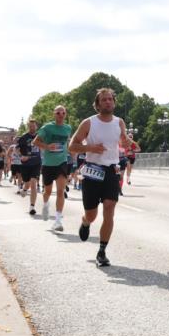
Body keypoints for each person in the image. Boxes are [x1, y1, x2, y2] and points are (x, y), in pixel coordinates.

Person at [68, 88, 138, 267]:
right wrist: (90, 148)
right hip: (93, 170)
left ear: (114, 103)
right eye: (104, 100)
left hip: (111, 171)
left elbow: (122, 141)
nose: (108, 102)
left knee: (109, 207)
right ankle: (85, 222)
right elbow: (72, 146)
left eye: (110, 99)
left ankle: (102, 251)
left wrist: (129, 143)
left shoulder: (119, 122)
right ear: (98, 104)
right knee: (92, 215)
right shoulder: (88, 123)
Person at [34, 105, 74, 231]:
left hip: (62, 162)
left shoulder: (68, 128)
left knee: (61, 191)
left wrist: (72, 155)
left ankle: (57, 221)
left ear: (65, 114)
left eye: (63, 113)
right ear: (54, 114)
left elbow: (67, 143)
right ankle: (46, 205)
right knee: (48, 191)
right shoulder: (47, 127)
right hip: (48, 163)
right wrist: (47, 146)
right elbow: (35, 142)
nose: (61, 115)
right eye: (58, 113)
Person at [17, 120, 42, 215]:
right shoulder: (23, 137)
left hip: (36, 163)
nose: (32, 128)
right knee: (27, 184)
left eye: (34, 126)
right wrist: (21, 156)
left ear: (36, 126)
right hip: (25, 164)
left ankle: (32, 207)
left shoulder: (40, 136)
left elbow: (44, 147)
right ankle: (24, 189)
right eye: (30, 126)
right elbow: (17, 149)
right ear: (28, 127)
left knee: (33, 184)